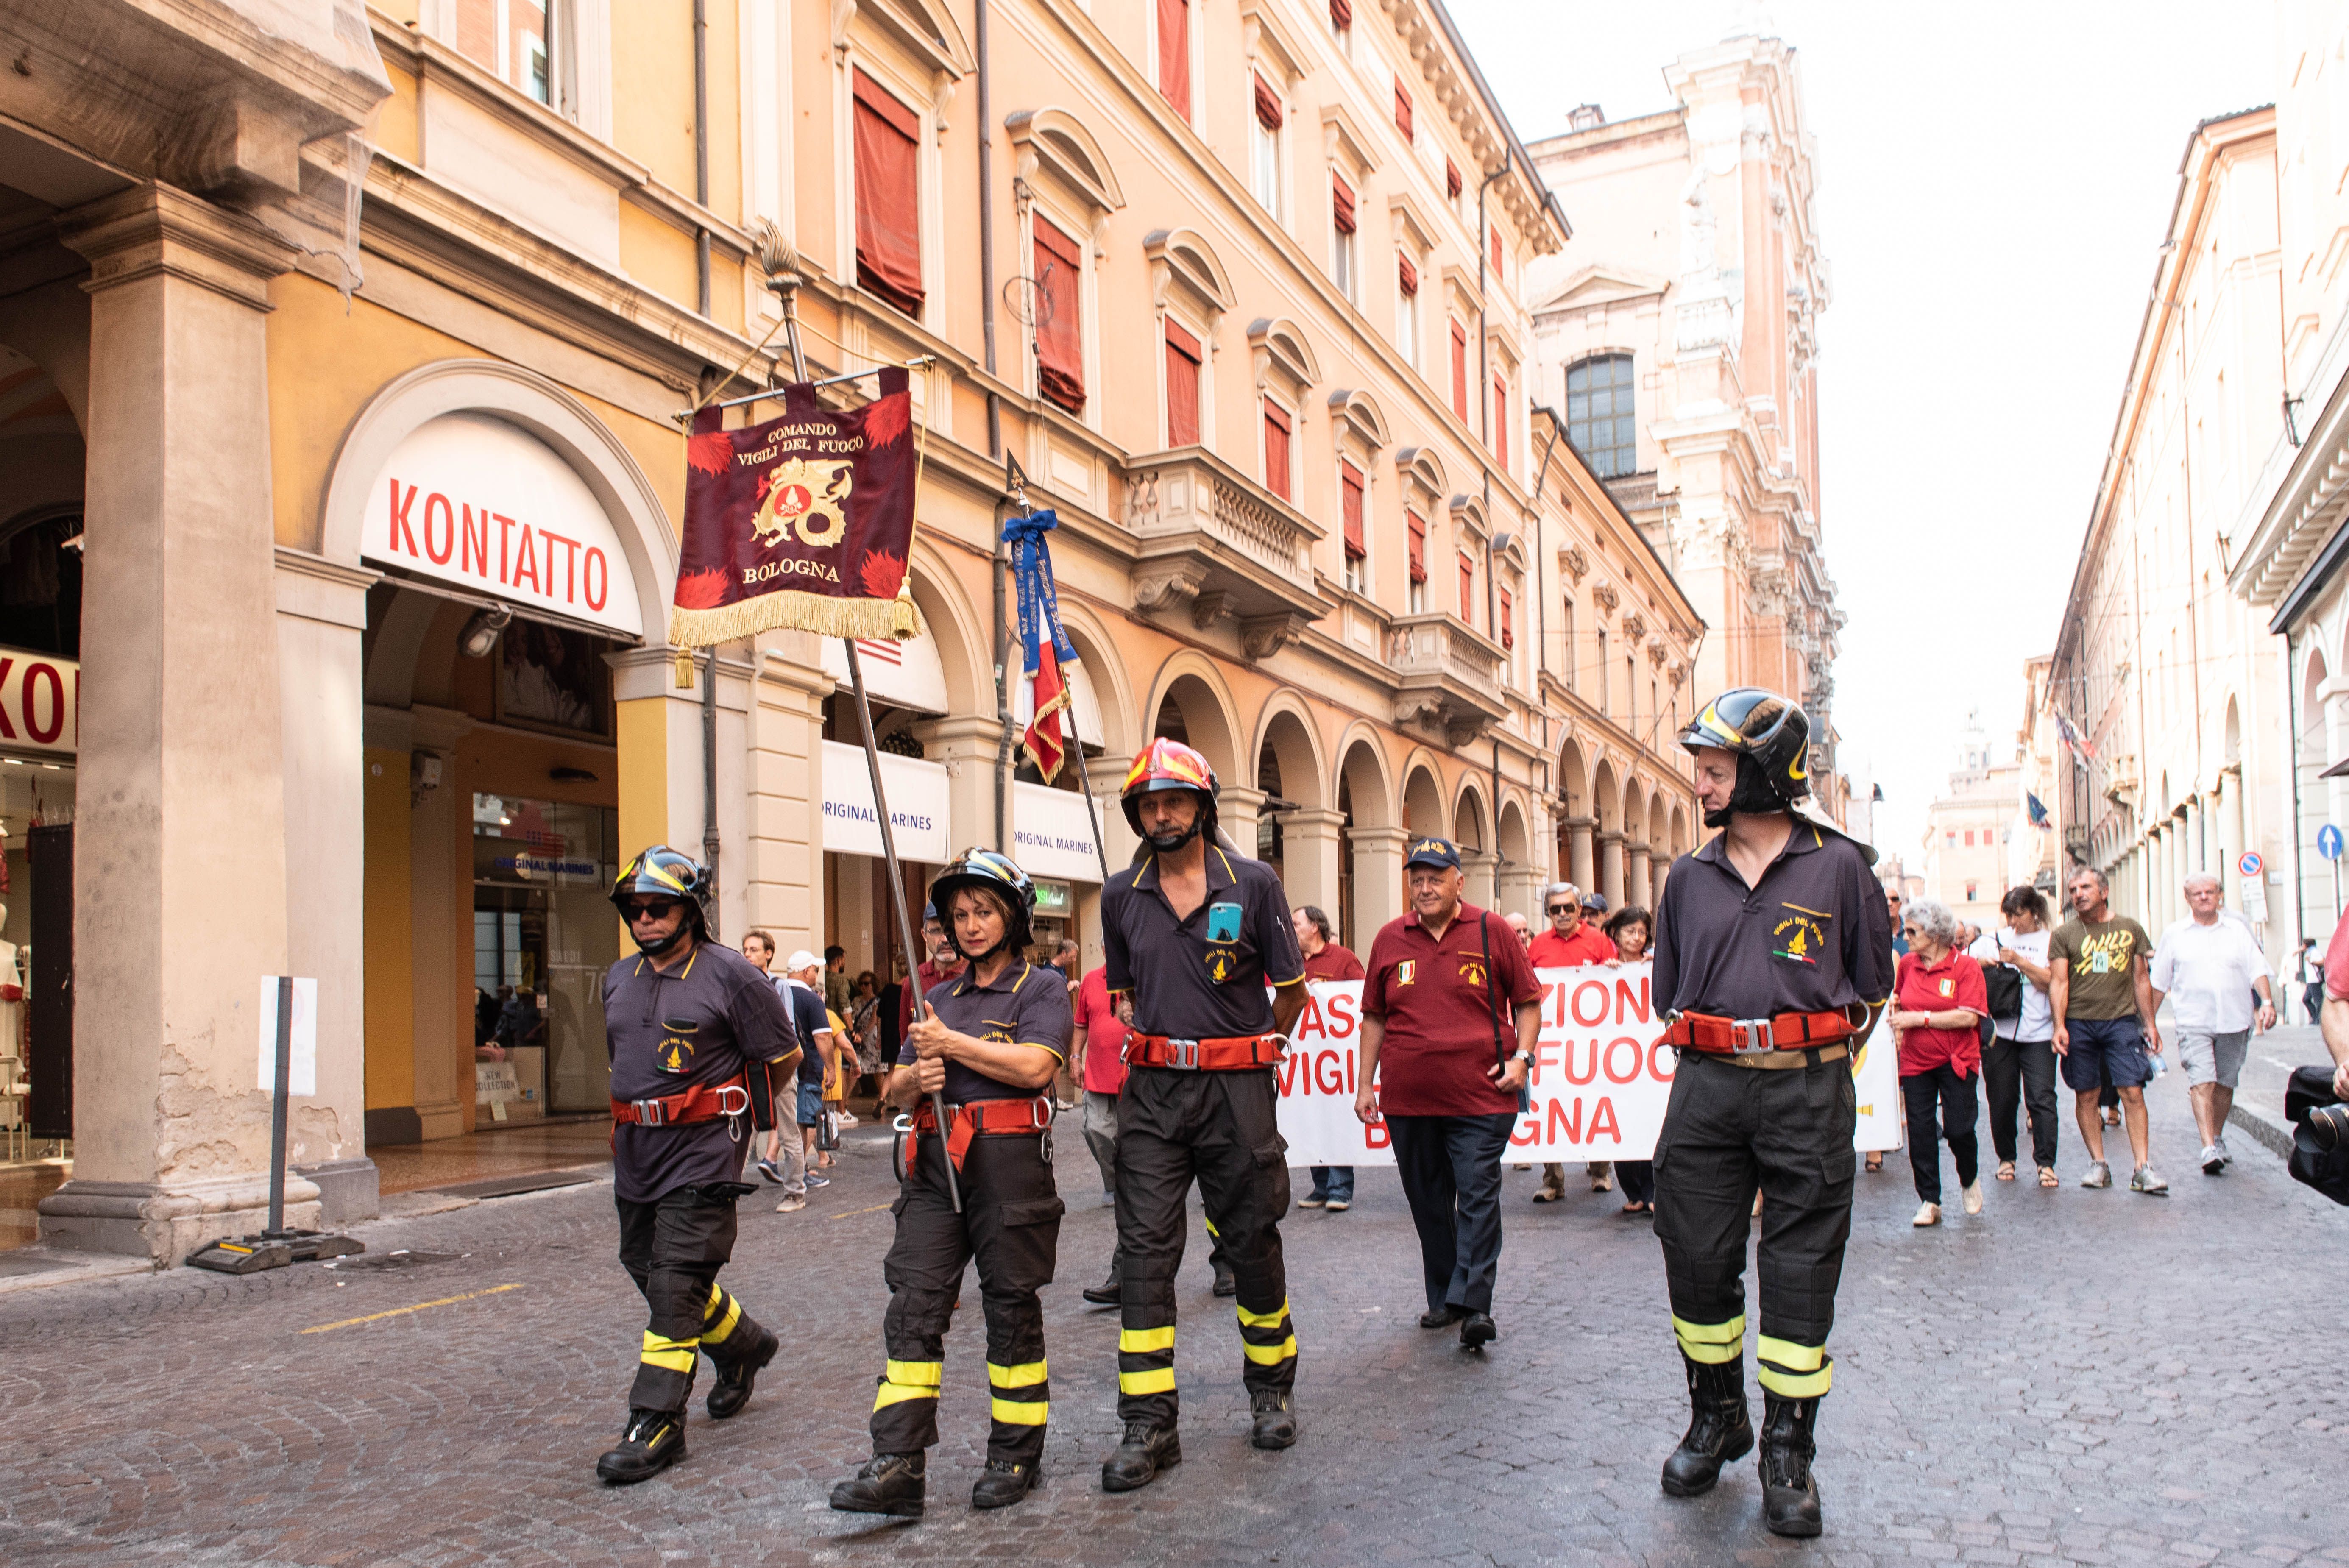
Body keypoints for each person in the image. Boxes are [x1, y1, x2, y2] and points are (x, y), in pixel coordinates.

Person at [1649, 689, 1892, 1538]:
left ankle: (1788, 1449)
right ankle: (1716, 1416)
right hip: (1706, 1090)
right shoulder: (1687, 875)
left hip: (1807, 1089)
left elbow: (1870, 987)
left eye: (1716, 770)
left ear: (1765, 772)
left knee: (1800, 1267)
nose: (1702, 785)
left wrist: (1811, 1061)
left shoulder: (1841, 867)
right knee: (1695, 1255)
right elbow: (1664, 992)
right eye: (1702, 770)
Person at [1097, 737, 1309, 1491]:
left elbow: (1291, 990)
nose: (1161, 813)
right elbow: (1127, 993)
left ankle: (1270, 1388)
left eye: (1174, 800)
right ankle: (1148, 1423)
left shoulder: (1253, 883)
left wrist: (1263, 1049)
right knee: (1146, 1255)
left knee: (1252, 1239)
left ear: (1203, 806)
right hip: (1152, 1098)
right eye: (1148, 803)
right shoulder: (1119, 894)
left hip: (1237, 1094)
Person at [830, 851, 1070, 1517]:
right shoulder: (937, 997)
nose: (968, 925)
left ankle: (1015, 1450)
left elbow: (1034, 1065)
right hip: (936, 1166)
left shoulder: (1041, 986)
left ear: (1013, 915)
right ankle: (898, 1462)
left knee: (1010, 1307)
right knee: (914, 1304)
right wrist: (914, 1078)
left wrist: (954, 1048)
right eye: (958, 914)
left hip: (1010, 1162)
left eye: (983, 911)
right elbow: (893, 1087)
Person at [594, 846, 797, 1484]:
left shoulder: (734, 974)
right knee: (645, 1265)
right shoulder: (616, 977)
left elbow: (783, 1055)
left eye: (660, 906)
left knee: (676, 1281)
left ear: (691, 909)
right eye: (635, 907)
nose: (645, 918)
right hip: (636, 1153)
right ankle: (743, 1346)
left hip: (704, 1151)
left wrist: (743, 1116)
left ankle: (656, 1421)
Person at [1353, 838, 1540, 1348]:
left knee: (1477, 1192)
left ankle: (1475, 1304)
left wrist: (1523, 1059)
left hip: (1482, 1095)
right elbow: (1374, 1017)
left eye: (1436, 878)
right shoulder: (1390, 939)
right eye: (1417, 879)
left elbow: (1528, 1003)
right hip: (1409, 1099)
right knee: (1428, 1201)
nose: (1425, 887)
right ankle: (1444, 1296)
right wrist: (1365, 1082)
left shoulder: (1492, 930)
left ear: (1460, 881)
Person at [2149, 872, 2276, 1176]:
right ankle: (2207, 1147)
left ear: (2219, 895)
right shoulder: (2174, 934)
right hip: (2194, 1021)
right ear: (2188, 898)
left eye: (2209, 892)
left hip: (2235, 1019)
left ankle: (2216, 1136)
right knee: (2202, 1081)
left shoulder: (2237, 930)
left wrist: (2268, 1002)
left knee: (2224, 1083)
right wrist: (2149, 1022)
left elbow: (2256, 968)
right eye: (2197, 893)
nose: (2204, 897)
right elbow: (2158, 981)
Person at [2048, 866, 2166, 1193]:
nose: (2078, 894)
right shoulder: (2064, 934)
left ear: (2103, 891)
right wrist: (2058, 1025)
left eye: (2085, 887)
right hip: (2078, 1022)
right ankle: (2098, 1164)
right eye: (2072, 890)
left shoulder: (2129, 928)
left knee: (2132, 1091)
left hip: (2121, 1021)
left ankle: (2142, 1167)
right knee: (2086, 1094)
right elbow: (2058, 982)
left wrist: (2150, 1023)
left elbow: (2141, 978)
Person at [1889, 899, 1986, 1227]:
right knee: (1920, 1131)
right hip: (1916, 1061)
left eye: (1913, 931)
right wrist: (1896, 1007)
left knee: (1959, 1129)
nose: (1906, 935)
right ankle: (1929, 1199)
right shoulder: (1906, 964)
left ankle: (1968, 1177)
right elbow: (1901, 1000)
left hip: (1956, 1059)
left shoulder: (1966, 968)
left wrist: (1921, 1018)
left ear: (1934, 934)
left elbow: (1968, 1016)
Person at [1525, 881, 1618, 1203]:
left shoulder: (1600, 941)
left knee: (1594, 1102)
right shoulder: (1537, 945)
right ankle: (1552, 1180)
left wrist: (1613, 970)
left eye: (1568, 908)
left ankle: (1600, 1171)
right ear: (1548, 912)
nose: (1562, 914)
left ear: (1579, 910)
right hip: (1551, 1040)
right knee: (1551, 1104)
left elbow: (1618, 984)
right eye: (1555, 909)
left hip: (1593, 1040)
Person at [1976, 887, 2060, 1186]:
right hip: (2001, 1032)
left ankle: (2046, 1163)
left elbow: (2054, 981)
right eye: (2008, 914)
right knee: (2001, 1098)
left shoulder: (2051, 940)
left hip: (2039, 1031)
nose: (2012, 921)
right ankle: (2006, 1158)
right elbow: (1963, 966)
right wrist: (1987, 962)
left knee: (2041, 1098)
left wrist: (2019, 962)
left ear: (2034, 912)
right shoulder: (1992, 939)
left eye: (2018, 914)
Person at [1293, 905, 1365, 1214]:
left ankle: (1340, 1187)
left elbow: (1361, 996)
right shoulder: (1291, 963)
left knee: (1335, 1119)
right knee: (1310, 1117)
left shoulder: (1343, 958)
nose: (1290, 928)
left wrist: (1330, 993)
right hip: (1304, 1058)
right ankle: (1320, 1185)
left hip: (1335, 1058)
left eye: (1296, 923)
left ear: (1314, 927)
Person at [1072, 958, 1132, 1306]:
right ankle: (1115, 1181)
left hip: (1137, 1077)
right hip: (1098, 1075)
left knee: (1137, 1151)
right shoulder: (1093, 980)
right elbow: (1081, 1024)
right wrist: (1075, 1057)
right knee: (1095, 1129)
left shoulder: (1144, 971)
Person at [742, 933, 806, 1204]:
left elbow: (788, 1030)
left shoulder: (780, 987)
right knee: (741, 1130)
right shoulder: (740, 987)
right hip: (749, 1069)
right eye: (745, 949)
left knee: (788, 1132)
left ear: (769, 954)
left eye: (754, 950)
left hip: (780, 1068)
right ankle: (727, 1189)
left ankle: (795, 1192)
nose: (747, 954)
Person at [1604, 905, 1657, 1215]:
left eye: (1641, 932)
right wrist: (1602, 973)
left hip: (1647, 1062)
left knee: (1649, 1125)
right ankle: (1633, 1192)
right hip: (1615, 1063)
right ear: (1616, 934)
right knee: (1620, 1126)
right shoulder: (1602, 969)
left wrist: (1657, 967)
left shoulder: (1655, 966)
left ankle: (1651, 1191)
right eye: (1630, 931)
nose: (1636, 938)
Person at [777, 951, 836, 1206]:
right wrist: (831, 1069)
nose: (816, 975)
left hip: (780, 1069)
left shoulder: (774, 993)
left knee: (787, 1124)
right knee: (804, 1124)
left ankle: (786, 1168)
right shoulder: (812, 999)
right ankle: (797, 1175)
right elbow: (823, 1037)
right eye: (815, 970)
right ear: (805, 972)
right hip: (808, 1067)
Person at [2296, 937, 2323, 1027]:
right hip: (2310, 981)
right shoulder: (2309, 951)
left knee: (2318, 1000)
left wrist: (2311, 961)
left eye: (2303, 944)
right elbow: (2299, 950)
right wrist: (2297, 951)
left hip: (2315, 980)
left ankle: (2319, 1019)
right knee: (2306, 999)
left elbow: (2322, 961)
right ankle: (2315, 1017)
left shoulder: (2314, 952)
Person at [824, 944, 852, 1017]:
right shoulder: (841, 980)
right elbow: (845, 1007)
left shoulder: (823, 977)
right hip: (838, 1024)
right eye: (843, 959)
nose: (844, 963)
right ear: (839, 960)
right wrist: (851, 1028)